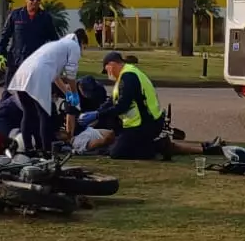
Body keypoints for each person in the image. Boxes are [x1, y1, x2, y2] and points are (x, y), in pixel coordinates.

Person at [87, 51, 224, 160]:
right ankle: (164, 146)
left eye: (107, 70)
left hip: (145, 124)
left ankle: (156, 148)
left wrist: (98, 115)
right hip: (142, 124)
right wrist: (98, 111)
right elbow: (113, 100)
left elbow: (122, 105)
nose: (108, 74)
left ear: (112, 64)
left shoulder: (128, 77)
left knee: (117, 153)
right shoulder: (125, 75)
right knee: (118, 148)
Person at [0, 28, 86, 153]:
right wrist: (75, 94)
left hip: (23, 72)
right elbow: (71, 74)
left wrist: (67, 92)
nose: (82, 51)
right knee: (44, 115)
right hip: (38, 75)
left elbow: (55, 76)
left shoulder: (56, 46)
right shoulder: (73, 46)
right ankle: (46, 150)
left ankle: (28, 148)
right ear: (81, 42)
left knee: (29, 113)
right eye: (84, 47)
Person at [0, 0, 61, 86]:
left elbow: (54, 40)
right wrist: (1, 55)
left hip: (36, 63)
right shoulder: (15, 15)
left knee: (33, 94)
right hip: (16, 62)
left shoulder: (45, 17)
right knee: (9, 94)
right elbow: (4, 36)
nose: (35, 1)